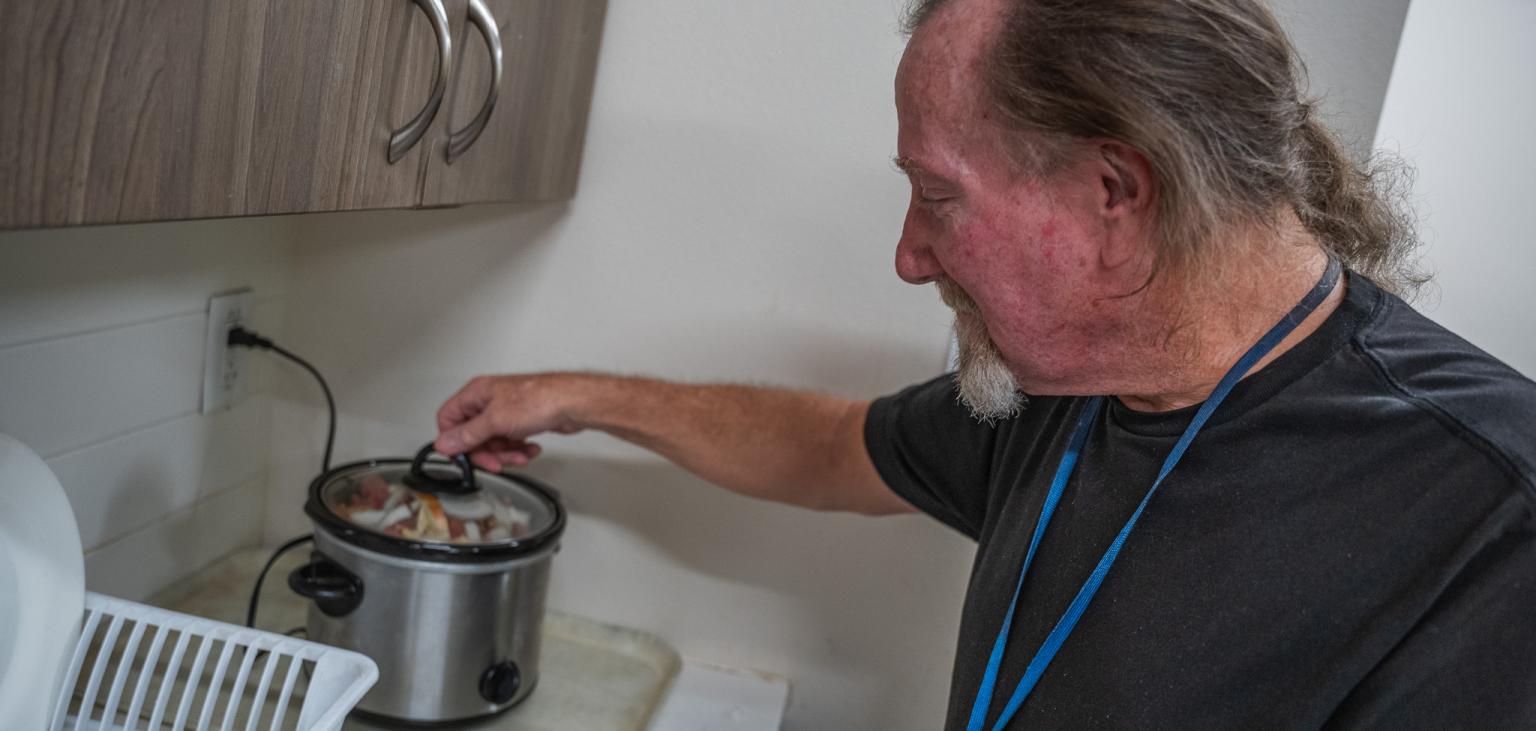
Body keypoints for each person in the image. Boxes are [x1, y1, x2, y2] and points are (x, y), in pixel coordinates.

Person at [434, 0, 1536, 727]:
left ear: (1116, 193)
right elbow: (830, 449)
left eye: (941, 196)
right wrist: (572, 395)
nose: (910, 256)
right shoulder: (1072, 383)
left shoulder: (1492, 513)